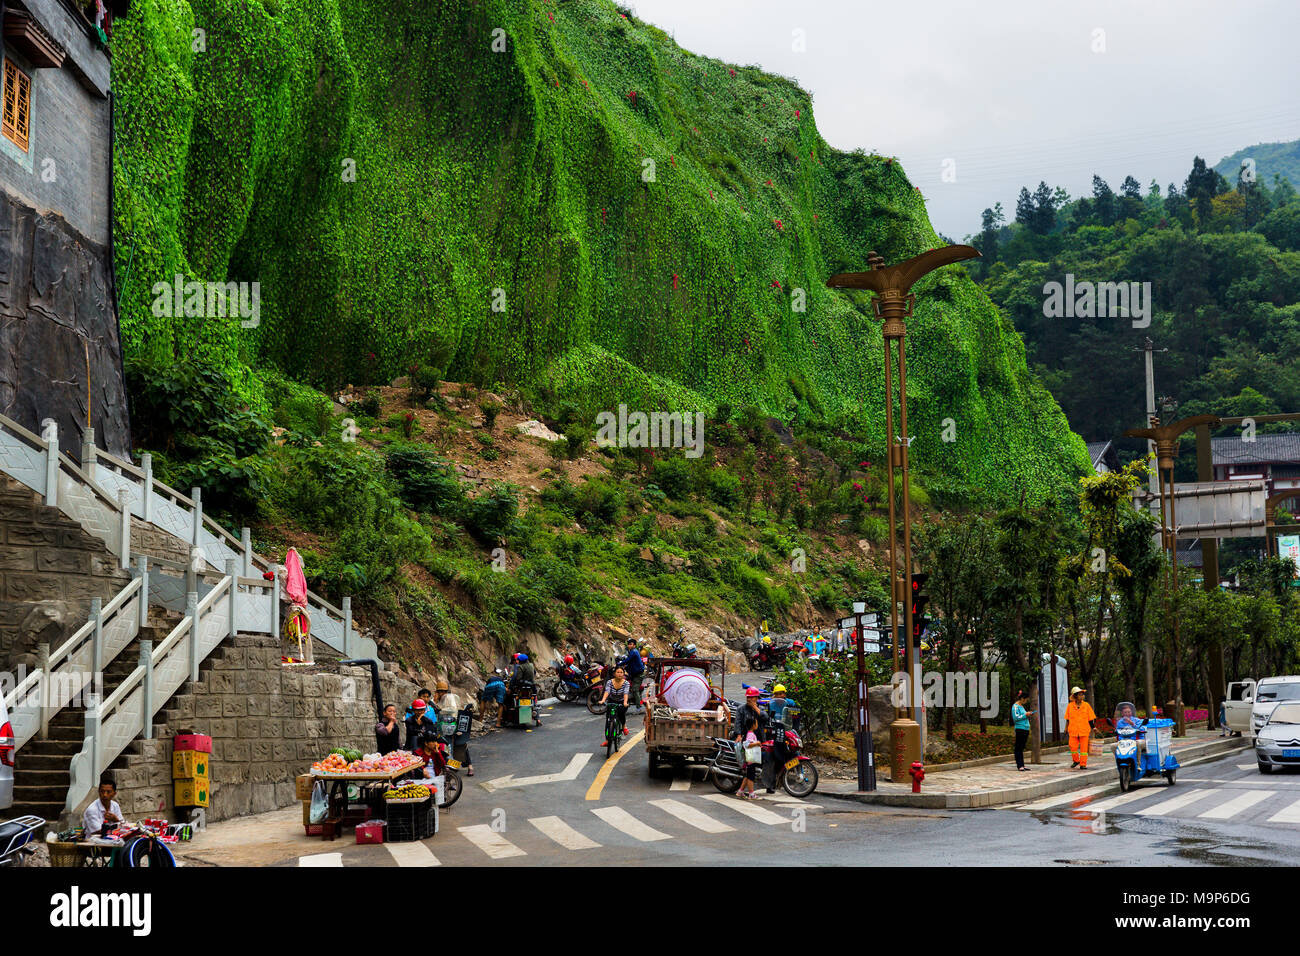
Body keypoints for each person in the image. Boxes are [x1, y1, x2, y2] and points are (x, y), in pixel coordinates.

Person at [433, 679, 473, 776]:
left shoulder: (450, 698)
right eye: (440, 691)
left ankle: (470, 766)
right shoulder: (435, 700)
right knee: (446, 746)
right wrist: (434, 701)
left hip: (452, 723)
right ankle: (451, 764)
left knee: (461, 743)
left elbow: (453, 710)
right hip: (442, 725)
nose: (442, 693)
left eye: (443, 691)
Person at [1064, 686, 1096, 770]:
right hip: (1073, 730)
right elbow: (1068, 719)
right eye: (1080, 695)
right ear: (1075, 696)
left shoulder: (1086, 705)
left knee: (1084, 749)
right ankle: (1076, 760)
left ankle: (1083, 764)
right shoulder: (1070, 706)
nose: (1082, 696)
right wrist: (1066, 728)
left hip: (1084, 730)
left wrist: (1094, 727)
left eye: (1082, 695)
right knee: (1072, 746)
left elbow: (1090, 719)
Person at [599, 666, 632, 741]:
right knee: (608, 719)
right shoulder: (609, 682)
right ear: (614, 674)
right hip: (612, 700)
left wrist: (625, 702)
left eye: (621, 672)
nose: (620, 674)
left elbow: (625, 693)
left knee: (621, 714)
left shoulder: (626, 683)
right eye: (618, 672)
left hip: (622, 701)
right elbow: (607, 691)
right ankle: (607, 740)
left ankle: (623, 726)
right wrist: (603, 700)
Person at [619, 639, 646, 712]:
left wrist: (619, 664)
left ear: (634, 645)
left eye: (631, 644)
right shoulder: (631, 651)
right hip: (634, 673)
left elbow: (628, 660)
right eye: (629, 644)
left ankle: (639, 707)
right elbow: (629, 661)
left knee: (635, 690)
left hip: (638, 674)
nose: (630, 645)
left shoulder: (634, 652)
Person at [1011, 690, 1034, 771]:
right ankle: (1019, 765)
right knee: (1018, 747)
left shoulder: (1021, 707)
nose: (1026, 701)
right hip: (1020, 729)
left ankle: (1022, 765)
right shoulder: (1015, 707)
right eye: (1026, 699)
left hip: (1025, 729)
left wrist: (1027, 714)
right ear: (1022, 698)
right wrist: (1025, 714)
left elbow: (1022, 716)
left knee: (1021, 747)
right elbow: (1016, 718)